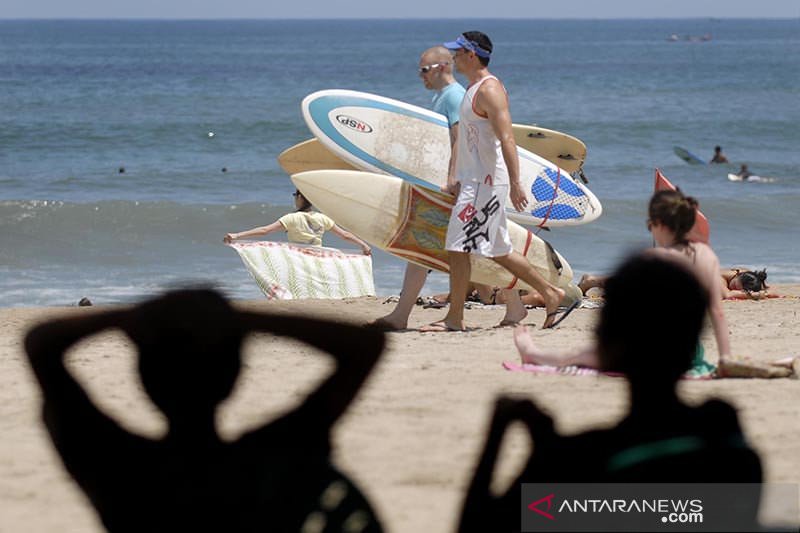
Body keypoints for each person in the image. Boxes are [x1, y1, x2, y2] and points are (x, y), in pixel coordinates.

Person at [24, 289, 385, 532]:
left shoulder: (120, 472)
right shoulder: (276, 457)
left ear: (144, 380)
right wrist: (237, 318)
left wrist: (140, 314)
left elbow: (40, 343)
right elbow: (364, 344)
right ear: (235, 376)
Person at [459, 254, 763, 532]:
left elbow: (479, 524)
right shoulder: (728, 443)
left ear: (603, 343)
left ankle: (535, 354)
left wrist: (504, 434)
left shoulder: (584, 459)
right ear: (694, 344)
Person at [515, 189, 792, 378]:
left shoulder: (653, 258)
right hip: (685, 355)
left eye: (650, 224)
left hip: (644, 354)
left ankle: (533, 354)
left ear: (659, 225)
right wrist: (725, 356)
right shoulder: (707, 256)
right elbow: (717, 313)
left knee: (582, 355)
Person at [368, 45, 528, 330]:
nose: (420, 76)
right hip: (462, 182)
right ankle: (515, 306)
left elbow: (459, 140)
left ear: (442, 66)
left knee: (430, 243)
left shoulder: (453, 97)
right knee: (478, 245)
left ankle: (404, 314)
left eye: (423, 70)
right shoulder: (446, 97)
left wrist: (452, 180)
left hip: (460, 183)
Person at [421, 31, 571, 332]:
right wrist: (456, 178)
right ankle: (551, 293)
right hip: (474, 182)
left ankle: (455, 317)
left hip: (485, 183)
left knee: (457, 247)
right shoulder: (473, 89)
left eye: (459, 52)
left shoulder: (490, 90)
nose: (454, 57)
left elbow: (507, 139)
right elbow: (467, 141)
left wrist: (516, 184)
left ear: (472, 55)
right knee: (498, 250)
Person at [224, 190, 371, 255]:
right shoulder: (323, 218)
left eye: (295, 195)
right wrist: (363, 245)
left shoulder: (291, 218)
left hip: (297, 256)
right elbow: (344, 235)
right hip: (317, 256)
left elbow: (265, 231)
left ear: (300, 197)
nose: (294, 198)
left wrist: (237, 235)